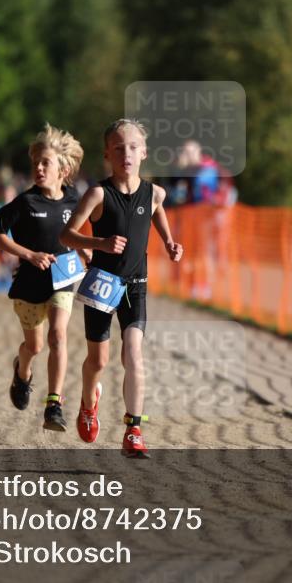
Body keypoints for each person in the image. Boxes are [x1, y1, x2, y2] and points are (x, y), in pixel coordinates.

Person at [60, 119, 183, 458]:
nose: (125, 153)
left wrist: (170, 242)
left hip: (135, 285)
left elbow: (156, 211)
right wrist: (99, 242)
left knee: (134, 355)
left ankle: (133, 429)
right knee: (98, 361)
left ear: (143, 152)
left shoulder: (155, 192)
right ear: (107, 155)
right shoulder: (98, 194)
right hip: (101, 283)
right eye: (118, 148)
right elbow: (66, 236)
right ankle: (88, 403)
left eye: (132, 147)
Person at [0, 124, 88, 432]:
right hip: (29, 285)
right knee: (34, 346)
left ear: (64, 169)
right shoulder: (25, 202)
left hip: (62, 281)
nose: (39, 168)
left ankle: (53, 405)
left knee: (58, 336)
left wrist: (87, 251)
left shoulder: (75, 200)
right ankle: (22, 372)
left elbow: (80, 233)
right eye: (36, 163)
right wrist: (29, 255)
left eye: (46, 163)